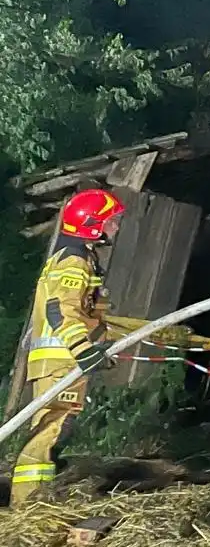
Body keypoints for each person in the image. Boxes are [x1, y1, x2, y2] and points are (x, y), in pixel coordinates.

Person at [8, 189, 124, 503]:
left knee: (54, 430)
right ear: (90, 224)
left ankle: (35, 498)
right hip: (61, 361)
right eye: (110, 221)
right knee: (50, 430)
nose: (115, 227)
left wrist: (100, 343)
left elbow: (84, 312)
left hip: (62, 360)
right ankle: (26, 504)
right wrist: (83, 350)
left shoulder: (77, 255)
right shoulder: (74, 260)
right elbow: (62, 309)